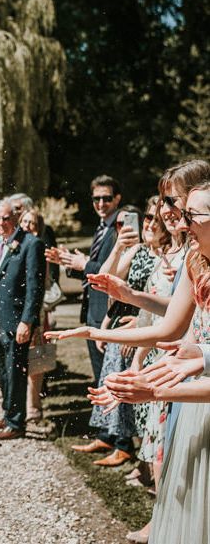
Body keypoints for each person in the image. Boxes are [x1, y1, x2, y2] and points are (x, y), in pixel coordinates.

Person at [92, 182, 210, 544]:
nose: (183, 223)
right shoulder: (198, 262)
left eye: (193, 215)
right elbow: (181, 341)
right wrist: (138, 380)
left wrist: (153, 390)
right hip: (197, 405)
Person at [78, 204, 159, 467]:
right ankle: (118, 442)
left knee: (133, 395)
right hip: (120, 326)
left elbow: (161, 297)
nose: (147, 224)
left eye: (152, 219)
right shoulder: (137, 249)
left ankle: (130, 450)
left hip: (143, 332)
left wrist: (140, 321)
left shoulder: (166, 256)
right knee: (114, 384)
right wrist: (119, 247)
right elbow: (104, 278)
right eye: (145, 219)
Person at [0, 199, 45, 440]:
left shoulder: (30, 244)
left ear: (15, 217)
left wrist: (28, 320)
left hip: (15, 319)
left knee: (16, 371)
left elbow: (35, 286)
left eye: (5, 218)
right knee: (2, 370)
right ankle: (7, 413)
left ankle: (16, 423)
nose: (1, 223)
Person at [46, 175, 122, 384]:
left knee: (109, 377)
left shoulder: (120, 229)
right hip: (91, 311)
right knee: (99, 376)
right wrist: (70, 263)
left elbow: (115, 272)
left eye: (106, 198)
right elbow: (94, 266)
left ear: (117, 199)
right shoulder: (101, 228)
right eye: (96, 199)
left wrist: (85, 264)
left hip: (107, 311)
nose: (100, 204)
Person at [19, 208, 51, 422]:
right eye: (24, 222)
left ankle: (34, 406)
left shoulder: (39, 247)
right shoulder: (16, 247)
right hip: (18, 310)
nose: (27, 226)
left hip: (35, 311)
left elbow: (42, 283)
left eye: (32, 223)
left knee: (37, 357)